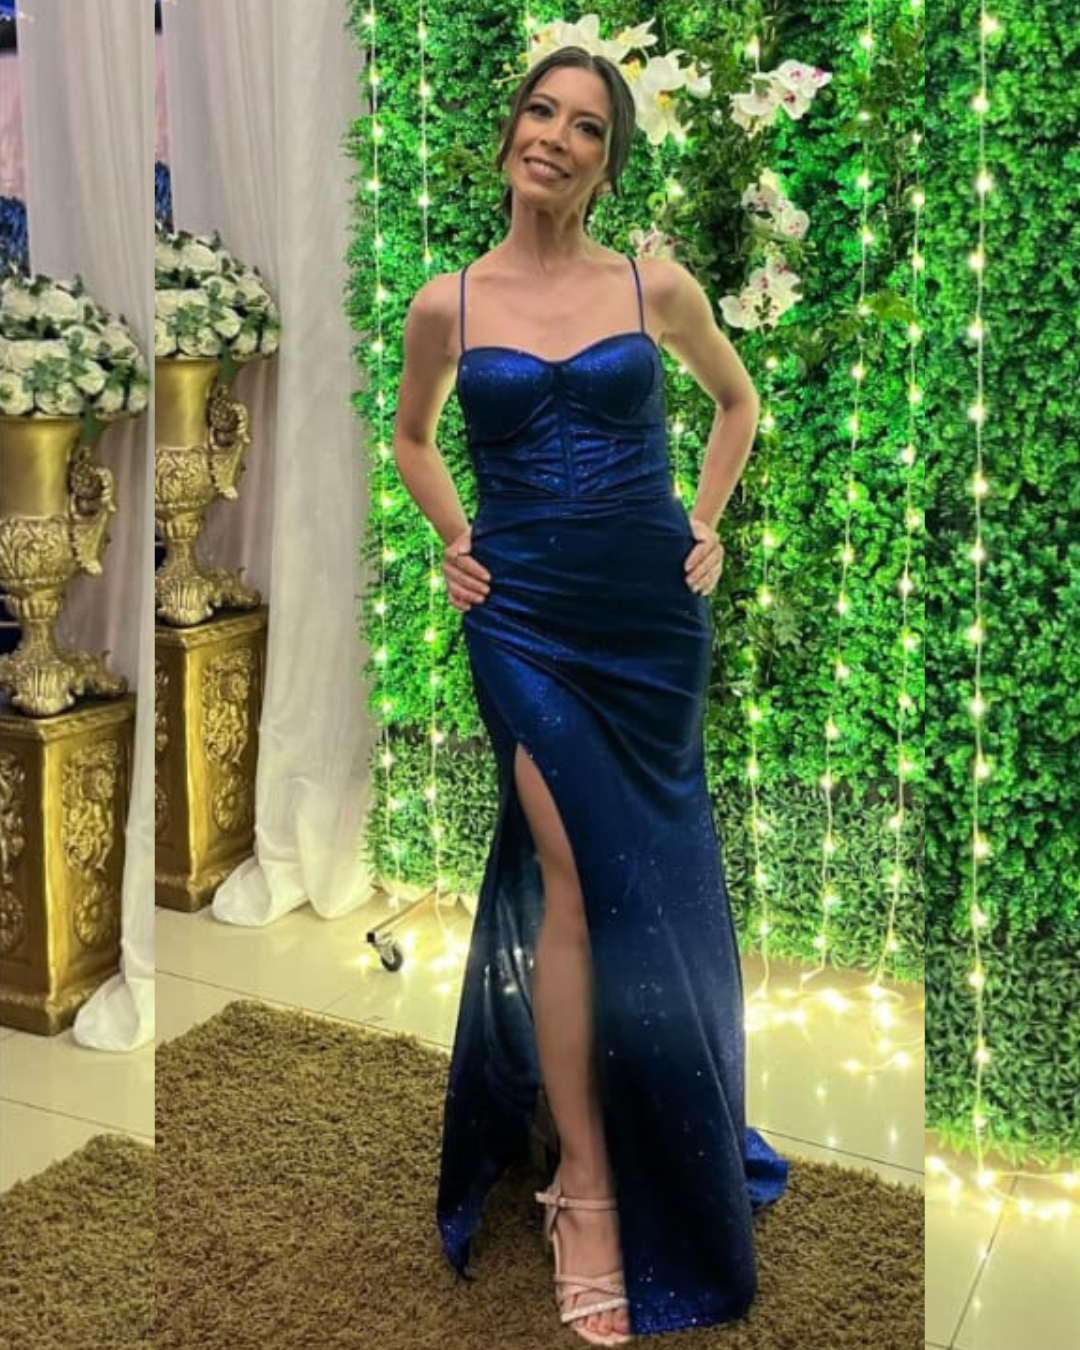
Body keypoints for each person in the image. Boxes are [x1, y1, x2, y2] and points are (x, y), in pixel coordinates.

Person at [392, 45, 788, 1345]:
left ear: (608, 164)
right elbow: (411, 436)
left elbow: (735, 401)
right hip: (522, 622)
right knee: (568, 871)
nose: (554, 138)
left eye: (585, 127)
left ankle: (668, 1118)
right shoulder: (447, 302)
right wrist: (456, 535)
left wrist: (706, 523)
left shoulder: (650, 284)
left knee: (651, 883)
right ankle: (586, 1185)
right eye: (540, 111)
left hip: (648, 620)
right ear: (511, 131)